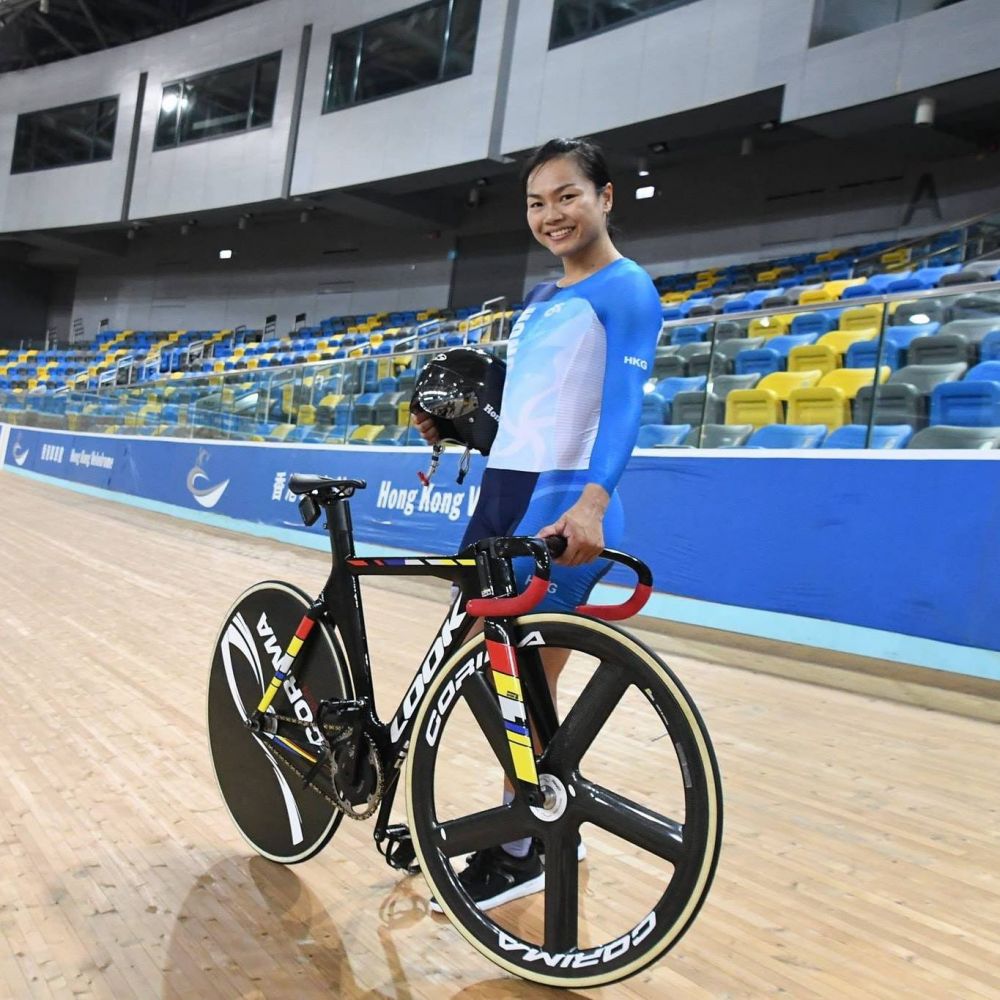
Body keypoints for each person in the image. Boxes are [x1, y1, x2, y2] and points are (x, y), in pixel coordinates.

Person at [412, 137, 662, 910]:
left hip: (562, 507)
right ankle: (540, 827)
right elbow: (528, 418)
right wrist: (460, 428)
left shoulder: (628, 290)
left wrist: (592, 500)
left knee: (524, 685)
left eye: (567, 196)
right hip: (502, 499)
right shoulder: (542, 301)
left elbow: (621, 407)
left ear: (605, 197)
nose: (551, 214)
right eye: (536, 201)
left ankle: (533, 841)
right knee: (489, 681)